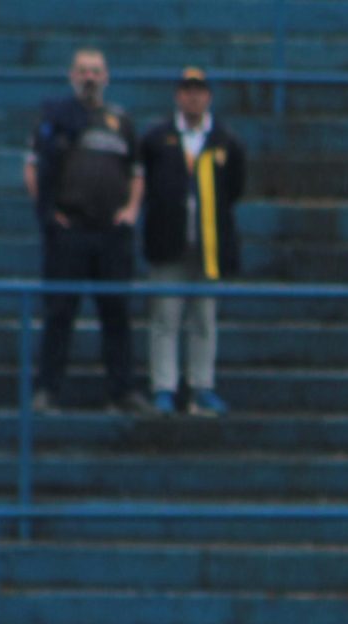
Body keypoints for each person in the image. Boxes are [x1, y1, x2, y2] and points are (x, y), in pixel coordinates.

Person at [25, 47, 148, 414]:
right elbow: (32, 169)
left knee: (116, 314)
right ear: (72, 76)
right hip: (70, 231)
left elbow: (137, 173)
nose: (90, 78)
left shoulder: (122, 120)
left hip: (111, 232)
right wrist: (48, 213)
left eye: (96, 71)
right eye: (83, 71)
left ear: (106, 77)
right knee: (60, 312)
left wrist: (131, 210)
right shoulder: (54, 119)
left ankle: (121, 392)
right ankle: (48, 390)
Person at [138, 67, 246, 417]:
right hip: (168, 243)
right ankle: (164, 388)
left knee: (203, 319)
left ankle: (202, 386)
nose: (193, 97)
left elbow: (235, 189)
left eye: (199, 91)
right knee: (165, 319)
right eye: (187, 90)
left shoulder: (225, 140)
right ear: (177, 95)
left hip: (208, 247)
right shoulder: (157, 138)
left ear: (208, 96)